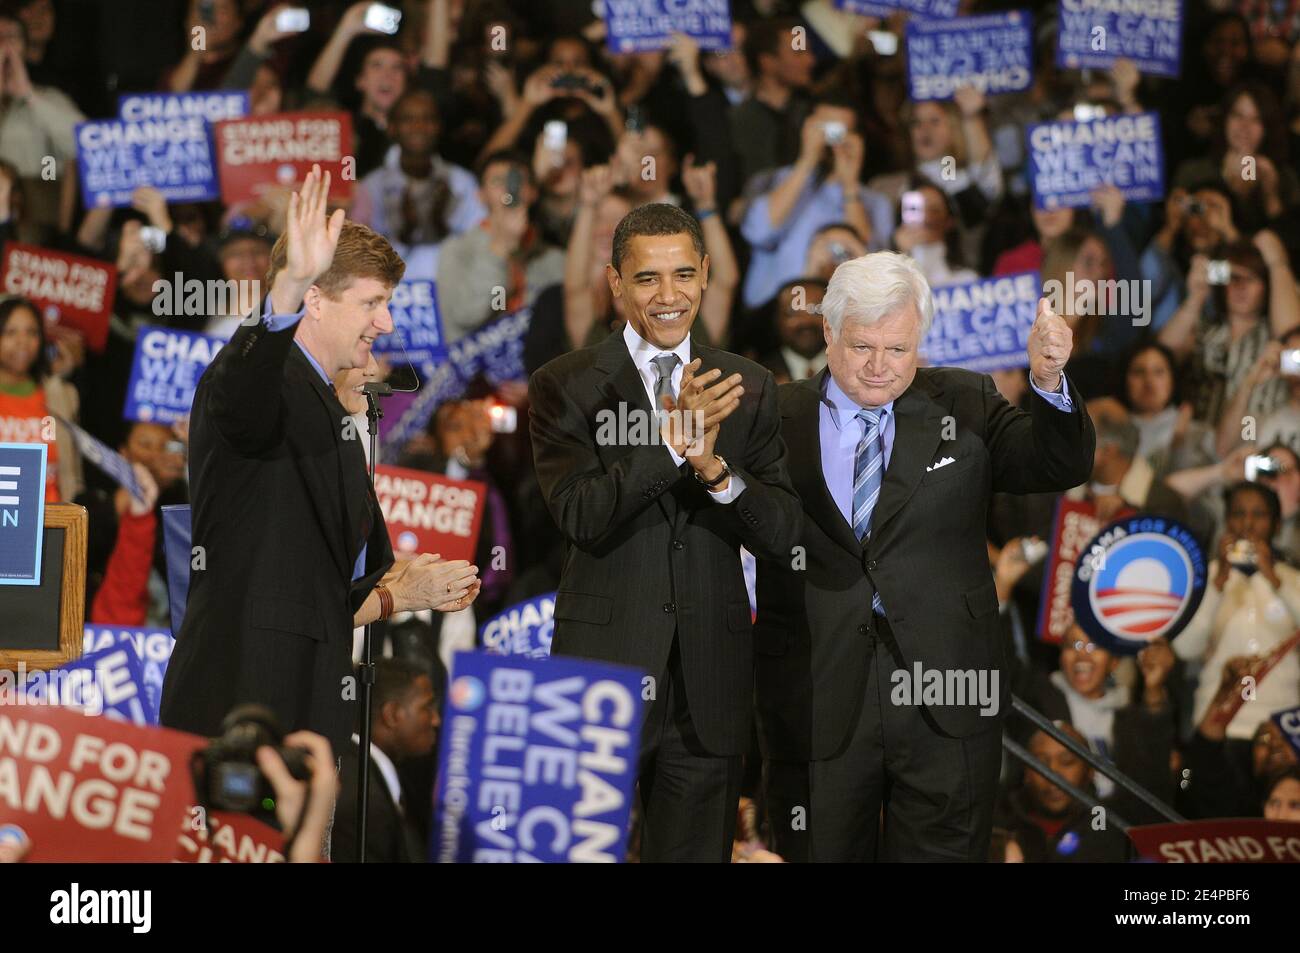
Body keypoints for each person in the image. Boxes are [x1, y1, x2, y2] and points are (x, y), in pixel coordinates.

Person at [755, 251, 1095, 862]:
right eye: (862, 347)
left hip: (948, 693)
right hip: (816, 690)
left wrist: (1047, 382)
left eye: (899, 349)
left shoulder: (964, 402)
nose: (880, 368)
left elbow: (1056, 463)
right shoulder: (775, 418)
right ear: (828, 331)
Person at [160, 166, 481, 753]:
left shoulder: (329, 406)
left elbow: (319, 591)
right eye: (372, 302)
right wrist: (282, 290)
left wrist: (399, 592)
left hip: (305, 701)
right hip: (241, 703)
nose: (385, 321)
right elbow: (239, 392)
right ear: (314, 299)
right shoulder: (264, 384)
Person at [528, 203, 802, 862]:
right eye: (647, 278)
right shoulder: (564, 385)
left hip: (709, 680)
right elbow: (580, 513)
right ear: (616, 284)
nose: (669, 294)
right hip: (601, 676)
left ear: (706, 274)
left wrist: (715, 470)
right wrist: (671, 449)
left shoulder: (751, 386)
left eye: (684, 273)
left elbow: (784, 532)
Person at [331, 658, 439, 863]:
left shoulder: (356, 770)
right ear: (392, 714)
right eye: (427, 707)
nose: (436, 719)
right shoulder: (364, 801)